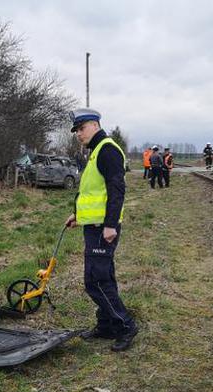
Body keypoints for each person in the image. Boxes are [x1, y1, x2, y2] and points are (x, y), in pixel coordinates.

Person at [65, 108, 138, 352]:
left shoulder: (107, 150)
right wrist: (78, 215)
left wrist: (110, 224)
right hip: (93, 226)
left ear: (95, 124)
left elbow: (117, 190)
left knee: (95, 281)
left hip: (102, 229)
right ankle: (106, 325)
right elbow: (93, 193)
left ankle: (125, 326)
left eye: (81, 128)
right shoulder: (96, 152)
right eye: (76, 130)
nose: (78, 134)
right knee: (103, 277)